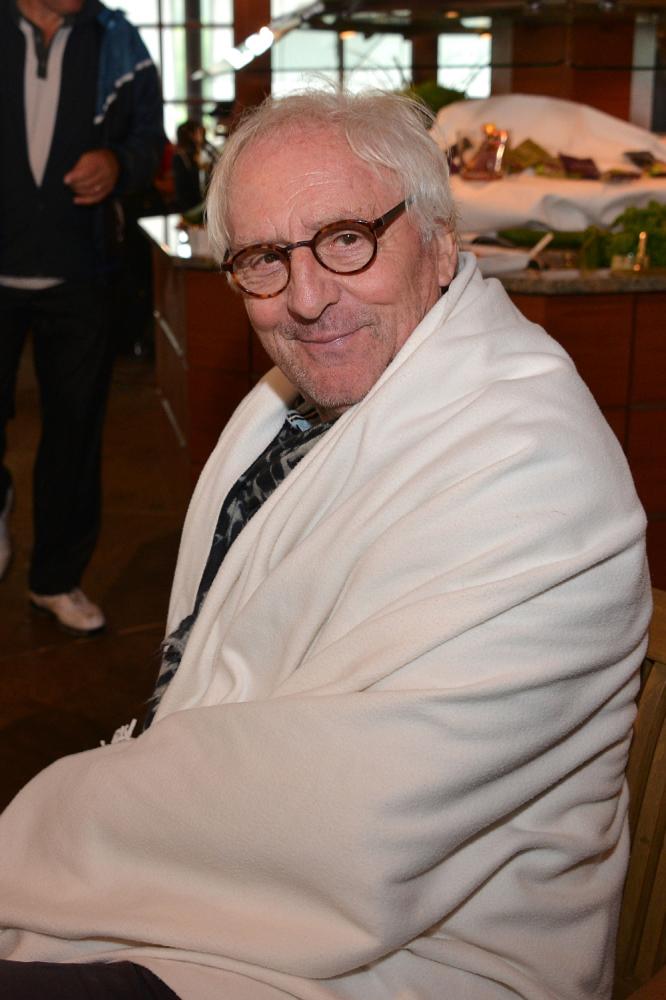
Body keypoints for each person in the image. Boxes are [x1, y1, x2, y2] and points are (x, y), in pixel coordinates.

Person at [0, 89, 652, 999]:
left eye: (348, 237)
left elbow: (347, 820)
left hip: (423, 959)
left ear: (440, 240)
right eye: (265, 259)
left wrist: (38, 835)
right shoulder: (304, 400)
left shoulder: (533, 463)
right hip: (251, 881)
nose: (306, 300)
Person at [0, 0, 165, 633]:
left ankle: (55, 579)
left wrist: (120, 163)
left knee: (75, 432)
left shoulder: (117, 41)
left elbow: (148, 138)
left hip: (82, 274)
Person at [171, 118, 217, 214]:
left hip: (209, 202)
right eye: (198, 132)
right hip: (192, 206)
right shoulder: (181, 157)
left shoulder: (207, 150)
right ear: (190, 135)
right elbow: (182, 188)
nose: (202, 134)